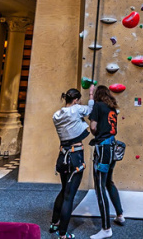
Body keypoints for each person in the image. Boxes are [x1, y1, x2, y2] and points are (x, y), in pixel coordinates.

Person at [49, 86, 95, 239]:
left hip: (62, 156)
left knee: (63, 190)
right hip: (75, 156)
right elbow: (90, 110)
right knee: (69, 195)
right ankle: (62, 233)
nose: (79, 102)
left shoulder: (56, 115)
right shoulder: (76, 110)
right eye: (78, 100)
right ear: (75, 100)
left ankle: (54, 223)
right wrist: (91, 94)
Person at [89, 85, 125, 239]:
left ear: (97, 95)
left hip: (103, 149)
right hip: (112, 148)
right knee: (109, 182)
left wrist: (91, 99)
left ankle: (106, 228)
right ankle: (120, 215)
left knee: (99, 186)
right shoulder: (112, 108)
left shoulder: (97, 106)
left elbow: (93, 127)